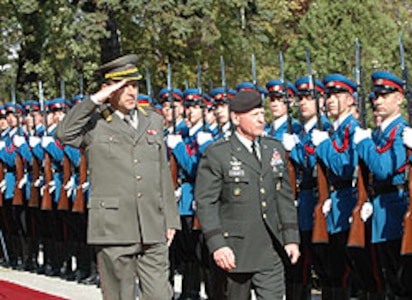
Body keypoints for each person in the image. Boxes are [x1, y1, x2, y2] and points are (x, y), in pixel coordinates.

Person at [55, 54, 180, 300]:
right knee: (120, 296)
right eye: (124, 86)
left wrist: (171, 219)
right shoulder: (93, 123)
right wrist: (95, 100)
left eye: (134, 85)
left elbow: (162, 172)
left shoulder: (152, 119)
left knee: (159, 295)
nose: (132, 92)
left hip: (152, 224)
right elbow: (63, 133)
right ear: (108, 90)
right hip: (114, 226)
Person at [195, 90, 300, 299]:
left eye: (262, 113)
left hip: (270, 248)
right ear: (236, 118)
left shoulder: (274, 149)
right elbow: (206, 203)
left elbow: (284, 198)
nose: (261, 119)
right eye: (254, 115)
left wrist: (291, 238)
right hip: (235, 251)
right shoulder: (218, 153)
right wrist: (217, 245)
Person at [354, 71, 408, 299]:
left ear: (400, 98)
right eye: (376, 95)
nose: (378, 101)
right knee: (385, 280)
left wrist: (364, 143)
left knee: (401, 280)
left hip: (395, 210)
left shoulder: (400, 132)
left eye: (385, 95)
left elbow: (383, 167)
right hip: (379, 211)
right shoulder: (378, 134)